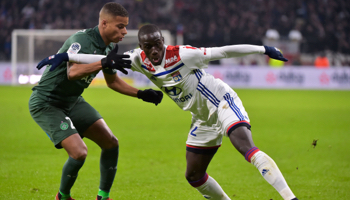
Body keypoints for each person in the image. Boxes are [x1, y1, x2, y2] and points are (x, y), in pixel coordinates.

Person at [37, 24, 299, 200]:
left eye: (156, 44)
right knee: (194, 176)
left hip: (220, 101)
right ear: (141, 45)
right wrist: (63, 57)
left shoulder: (183, 54)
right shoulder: (139, 58)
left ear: (163, 41)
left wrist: (264, 49)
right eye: (147, 46)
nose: (153, 50)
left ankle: (290, 197)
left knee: (245, 148)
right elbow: (99, 61)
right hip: (201, 118)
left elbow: (224, 52)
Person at [29, 4, 163, 200]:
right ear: (104, 23)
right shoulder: (82, 40)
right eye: (120, 26)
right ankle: (63, 197)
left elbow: (112, 81)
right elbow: (72, 72)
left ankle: (103, 196)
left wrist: (141, 94)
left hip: (73, 101)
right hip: (47, 102)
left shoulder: (108, 47)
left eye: (125, 26)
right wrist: (103, 62)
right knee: (79, 152)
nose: (124, 31)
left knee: (111, 143)